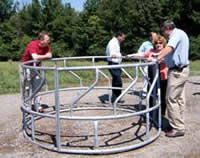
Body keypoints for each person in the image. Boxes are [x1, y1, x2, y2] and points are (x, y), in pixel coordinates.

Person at [156, 20, 190, 137]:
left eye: (163, 32)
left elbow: (170, 48)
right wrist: (160, 56)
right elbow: (172, 53)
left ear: (167, 29)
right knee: (179, 99)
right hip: (181, 70)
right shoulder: (181, 33)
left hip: (177, 71)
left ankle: (178, 127)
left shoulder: (175, 35)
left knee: (171, 99)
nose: (164, 35)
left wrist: (158, 57)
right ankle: (178, 123)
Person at [127, 35, 168, 125]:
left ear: (163, 43)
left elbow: (165, 60)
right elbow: (142, 55)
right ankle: (150, 113)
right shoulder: (151, 51)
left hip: (162, 77)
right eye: (156, 43)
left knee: (162, 97)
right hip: (152, 77)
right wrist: (132, 55)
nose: (158, 45)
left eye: (160, 43)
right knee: (151, 95)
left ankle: (161, 114)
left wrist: (154, 59)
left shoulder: (166, 51)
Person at [21, 31, 52, 112]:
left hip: (36, 68)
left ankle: (37, 106)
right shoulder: (33, 44)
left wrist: (40, 57)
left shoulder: (47, 46)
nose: (49, 41)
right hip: (26, 68)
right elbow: (35, 57)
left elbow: (50, 55)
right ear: (41, 40)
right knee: (27, 87)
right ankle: (27, 106)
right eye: (47, 39)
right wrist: (45, 56)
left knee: (37, 87)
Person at [106, 31, 126, 103]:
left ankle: (116, 99)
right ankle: (115, 99)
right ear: (119, 36)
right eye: (123, 38)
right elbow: (112, 54)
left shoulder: (116, 42)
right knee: (118, 82)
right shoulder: (113, 42)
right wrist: (120, 56)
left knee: (116, 82)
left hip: (116, 64)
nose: (123, 39)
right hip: (113, 64)